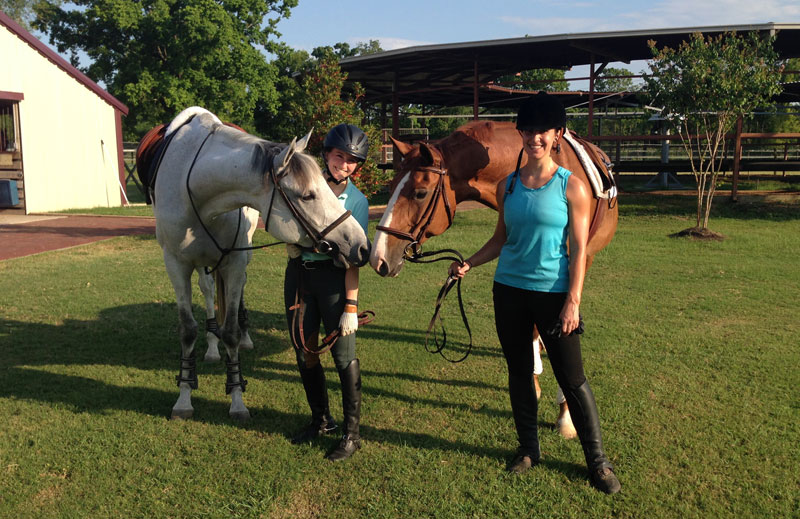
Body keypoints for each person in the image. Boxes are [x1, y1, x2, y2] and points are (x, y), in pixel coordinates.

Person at [448, 92, 621, 494]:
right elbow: (500, 240)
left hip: (553, 293)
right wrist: (469, 263)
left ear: (557, 134)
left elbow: (579, 249)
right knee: (519, 373)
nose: (534, 137)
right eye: (528, 130)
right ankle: (529, 448)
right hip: (508, 291)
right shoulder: (508, 186)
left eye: (542, 130)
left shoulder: (572, 187)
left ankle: (598, 461)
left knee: (573, 379)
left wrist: (573, 300)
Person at [284, 123, 370, 461]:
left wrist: (351, 305)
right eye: (339, 157)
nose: (344, 165)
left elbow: (354, 259)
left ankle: (352, 434)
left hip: (335, 282)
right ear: (327, 154)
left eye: (352, 161)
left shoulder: (358, 201)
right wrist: (292, 244)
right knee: (304, 351)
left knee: (343, 356)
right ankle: (321, 421)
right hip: (300, 277)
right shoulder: (304, 185)